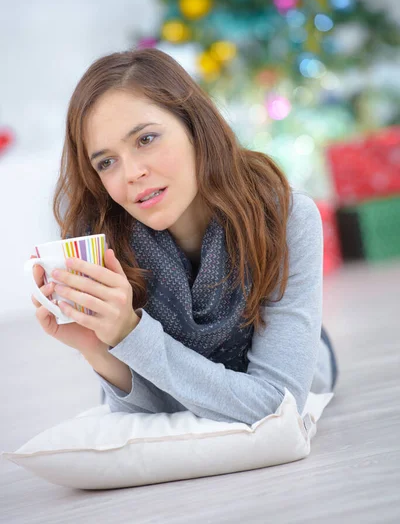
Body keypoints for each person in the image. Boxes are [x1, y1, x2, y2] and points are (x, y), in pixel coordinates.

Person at [31, 48, 338, 426]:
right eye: (106, 162)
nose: (132, 173)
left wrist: (131, 332)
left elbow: (276, 405)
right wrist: (97, 348)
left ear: (195, 126)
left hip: (305, 363)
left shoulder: (284, 217)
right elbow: (151, 416)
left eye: (146, 139)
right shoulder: (109, 244)